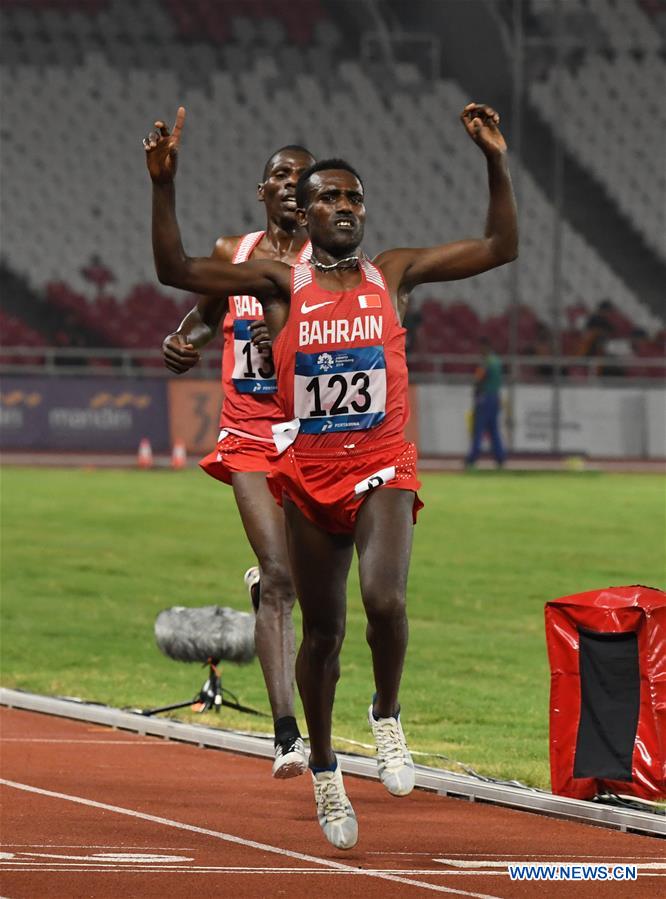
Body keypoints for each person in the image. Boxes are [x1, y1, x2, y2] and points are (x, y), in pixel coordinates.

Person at [144, 101, 517, 849]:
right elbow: (176, 270)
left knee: (385, 598)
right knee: (325, 633)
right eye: (329, 197)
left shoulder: (395, 273)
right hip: (309, 470)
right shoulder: (279, 285)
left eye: (354, 196)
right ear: (304, 214)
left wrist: (495, 160)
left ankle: (386, 714)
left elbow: (499, 245)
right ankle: (321, 765)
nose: (345, 206)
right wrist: (164, 184)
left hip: (384, 460)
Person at [161, 144, 316, 780]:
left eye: (302, 179)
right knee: (282, 578)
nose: (290, 186)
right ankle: (286, 736)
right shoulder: (234, 253)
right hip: (248, 432)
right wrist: (182, 341)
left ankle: (263, 588)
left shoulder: (329, 267)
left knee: (307, 586)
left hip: (311, 437)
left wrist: (286, 339)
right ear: (262, 191)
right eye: (280, 176)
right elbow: (205, 315)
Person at [465, 335, 507, 468]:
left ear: (485, 347)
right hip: (495, 397)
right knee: (494, 429)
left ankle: (473, 458)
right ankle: (500, 458)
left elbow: (479, 378)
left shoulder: (486, 362)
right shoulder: (497, 361)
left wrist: (476, 389)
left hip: (485, 398)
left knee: (479, 429)